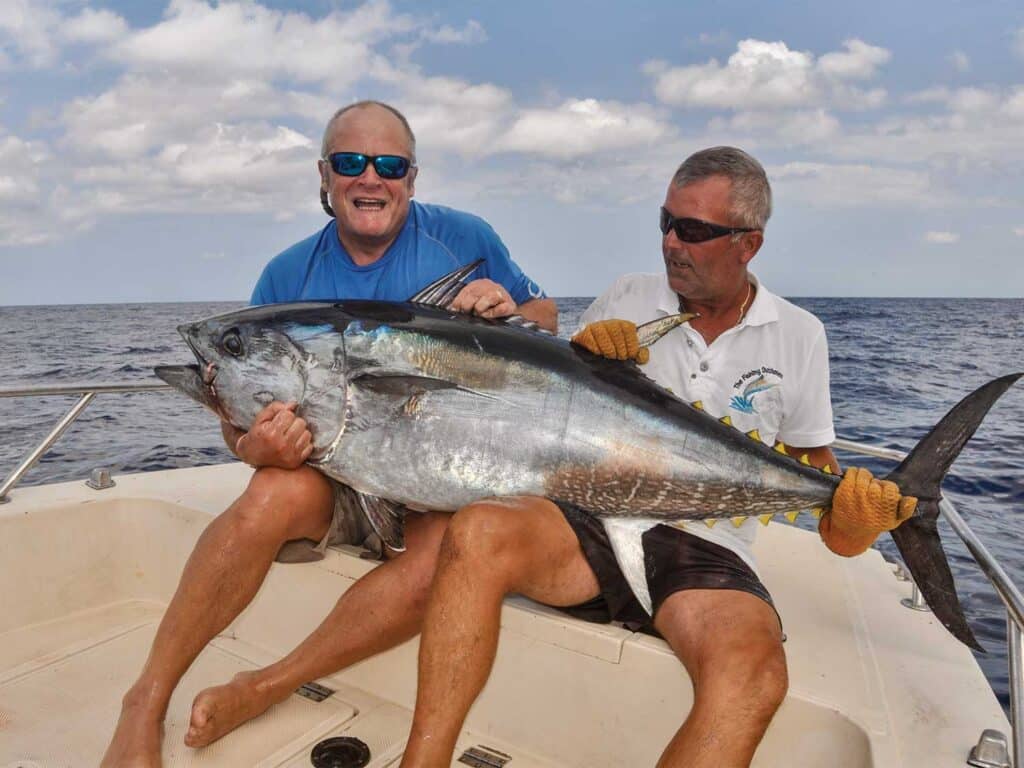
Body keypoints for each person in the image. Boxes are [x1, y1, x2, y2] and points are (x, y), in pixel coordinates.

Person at [397, 147, 915, 768]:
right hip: (587, 516)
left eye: (694, 231)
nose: (672, 243)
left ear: (748, 244)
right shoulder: (625, 296)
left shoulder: (799, 333)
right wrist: (582, 356)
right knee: (476, 531)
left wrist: (848, 519)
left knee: (753, 675)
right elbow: (550, 402)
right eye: (665, 224)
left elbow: (816, 465)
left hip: (709, 544)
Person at [101, 100, 557, 767]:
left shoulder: (465, 238)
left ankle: (265, 685)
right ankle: (144, 700)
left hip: (442, 474)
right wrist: (251, 448)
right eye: (350, 162)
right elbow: (236, 412)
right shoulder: (288, 277)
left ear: (412, 176)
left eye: (389, 164)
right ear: (324, 175)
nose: (370, 178)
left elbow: (544, 319)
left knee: (450, 558)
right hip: (339, 467)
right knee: (265, 495)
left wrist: (512, 307)